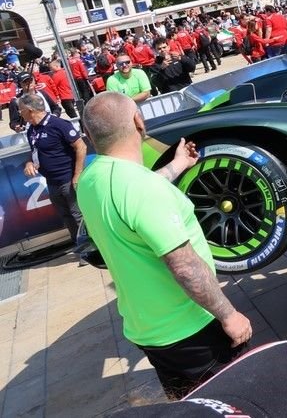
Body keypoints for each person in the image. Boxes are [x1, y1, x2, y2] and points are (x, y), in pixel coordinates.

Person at [77, 92, 252, 399]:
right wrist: (228, 315)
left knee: (186, 404)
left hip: (148, 329)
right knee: (235, 401)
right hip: (192, 328)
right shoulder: (142, 188)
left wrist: (178, 165)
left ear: (90, 135)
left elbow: (134, 199)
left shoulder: (92, 180)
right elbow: (184, 267)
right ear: (137, 121)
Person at [20, 92, 86, 241]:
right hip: (52, 182)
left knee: (78, 215)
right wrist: (29, 162)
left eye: (21, 110)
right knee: (66, 216)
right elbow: (35, 151)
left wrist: (77, 175)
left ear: (30, 110)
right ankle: (80, 246)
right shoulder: (32, 129)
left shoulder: (58, 124)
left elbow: (81, 147)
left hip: (68, 179)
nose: (20, 113)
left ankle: (92, 247)